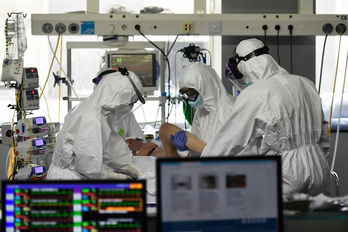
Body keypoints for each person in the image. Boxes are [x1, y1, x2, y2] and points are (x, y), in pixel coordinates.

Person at [182, 38, 332, 196]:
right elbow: (323, 133)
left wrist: (201, 166)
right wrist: (318, 159)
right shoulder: (306, 83)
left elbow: (228, 141)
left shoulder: (255, 93)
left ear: (244, 65)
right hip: (318, 166)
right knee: (316, 218)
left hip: (288, 172)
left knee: (283, 219)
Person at [47, 68, 146, 180]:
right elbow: (89, 167)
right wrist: (119, 177)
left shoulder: (97, 113)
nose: (129, 107)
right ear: (119, 98)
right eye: (129, 103)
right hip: (70, 179)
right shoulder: (90, 117)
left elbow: (111, 144)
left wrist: (130, 166)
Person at [159, 62, 235, 157]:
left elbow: (231, 153)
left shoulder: (231, 110)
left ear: (205, 88)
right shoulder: (202, 111)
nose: (189, 99)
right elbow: (196, 151)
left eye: (191, 94)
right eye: (186, 95)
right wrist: (184, 150)